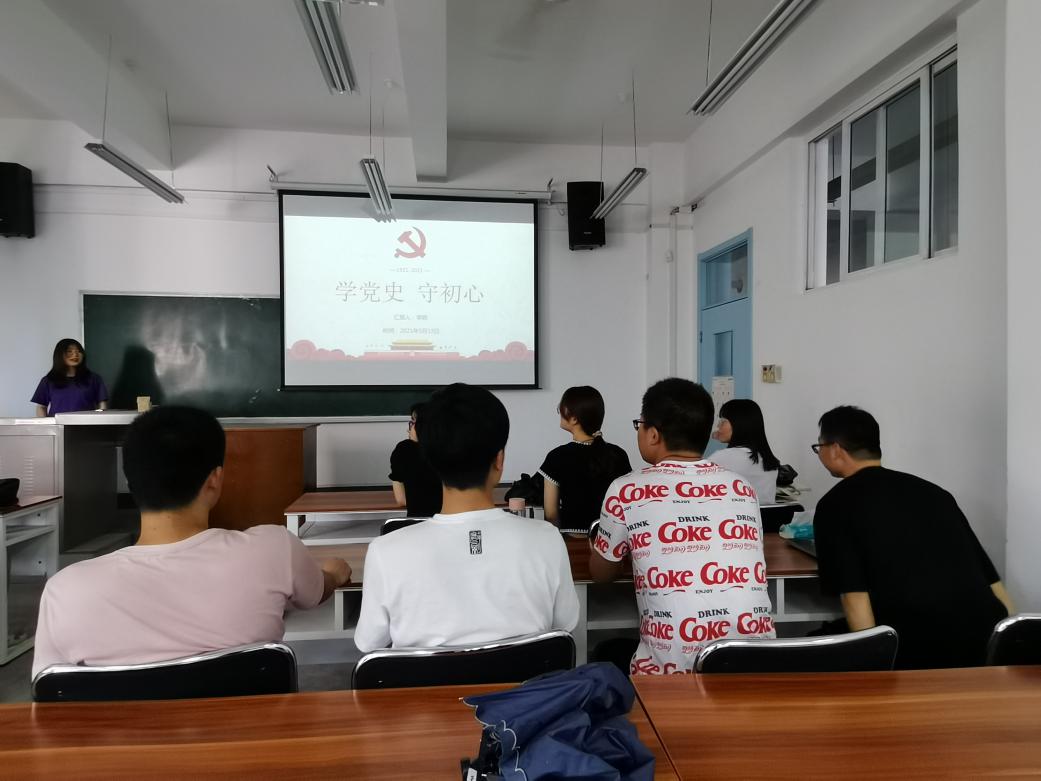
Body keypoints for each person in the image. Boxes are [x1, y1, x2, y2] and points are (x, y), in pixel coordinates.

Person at [31, 406, 350, 678]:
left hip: (121, 736)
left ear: (130, 481)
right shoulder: (273, 548)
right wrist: (335, 573)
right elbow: (315, 593)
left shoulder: (66, 590)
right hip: (245, 733)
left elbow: (47, 696)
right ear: (215, 480)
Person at [355, 383, 580, 652]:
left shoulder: (385, 552)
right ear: (499, 460)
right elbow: (566, 623)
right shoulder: (547, 539)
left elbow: (369, 643)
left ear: (429, 460)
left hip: (428, 682)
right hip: (528, 680)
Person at [589, 378, 775, 675]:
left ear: (653, 434)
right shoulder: (741, 488)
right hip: (756, 666)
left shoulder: (626, 489)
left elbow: (602, 574)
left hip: (671, 677)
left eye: (639, 425)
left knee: (604, 652)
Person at [812, 405, 1014, 669]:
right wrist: (1008, 646)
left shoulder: (835, 504)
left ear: (836, 449)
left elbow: (853, 596)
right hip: (983, 637)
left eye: (819, 446)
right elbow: (991, 580)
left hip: (915, 644)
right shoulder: (936, 494)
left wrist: (874, 668)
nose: (820, 453)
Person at [539, 386, 632, 533]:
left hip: (572, 539)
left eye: (561, 408)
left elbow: (551, 514)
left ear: (574, 418)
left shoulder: (557, 457)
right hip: (611, 540)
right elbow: (627, 505)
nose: (559, 412)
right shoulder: (619, 454)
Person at [710, 399, 780, 504]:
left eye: (723, 421)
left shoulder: (723, 458)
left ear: (738, 424)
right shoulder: (769, 461)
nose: (718, 426)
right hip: (763, 515)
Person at [389, 401, 442, 517]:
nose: (409, 429)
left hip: (417, 523)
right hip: (451, 524)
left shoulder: (404, 449)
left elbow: (401, 500)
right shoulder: (451, 452)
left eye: (413, 423)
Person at [32, 338, 109, 416]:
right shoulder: (48, 380)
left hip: (87, 423)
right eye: (69, 351)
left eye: (78, 351)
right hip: (58, 423)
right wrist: (45, 423)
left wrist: (100, 421)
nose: (75, 354)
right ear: (59, 354)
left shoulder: (94, 379)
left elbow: (102, 405)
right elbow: (41, 407)